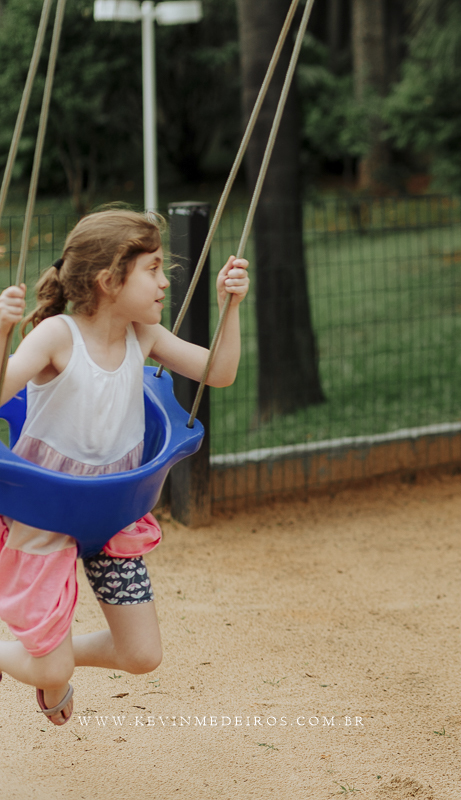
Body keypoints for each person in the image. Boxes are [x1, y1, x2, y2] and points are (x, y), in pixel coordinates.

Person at [0, 209, 249, 725]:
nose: (164, 283)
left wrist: (232, 305)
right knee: (50, 670)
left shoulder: (144, 336)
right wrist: (2, 330)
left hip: (114, 516)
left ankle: (57, 660)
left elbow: (218, 373)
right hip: (45, 513)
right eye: (153, 269)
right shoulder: (57, 337)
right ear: (109, 280)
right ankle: (51, 667)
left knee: (142, 656)